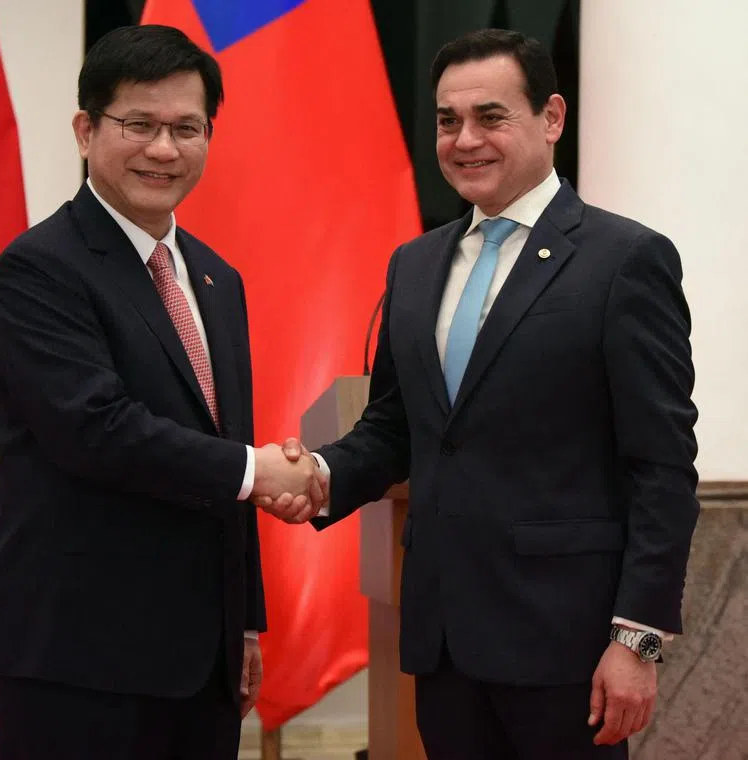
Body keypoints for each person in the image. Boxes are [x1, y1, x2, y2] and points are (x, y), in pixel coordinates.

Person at [260, 28, 699, 760]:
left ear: (551, 118)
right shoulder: (416, 263)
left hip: (570, 650)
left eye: (490, 117)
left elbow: (662, 467)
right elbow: (398, 426)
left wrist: (638, 639)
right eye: (447, 121)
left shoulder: (625, 261)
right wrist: (321, 476)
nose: (465, 140)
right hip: (445, 643)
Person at [0, 24, 323, 760]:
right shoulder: (42, 268)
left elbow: (223, 442)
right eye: (140, 125)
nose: (165, 149)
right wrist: (258, 472)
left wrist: (244, 622)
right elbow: (97, 430)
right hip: (78, 657)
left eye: (187, 128)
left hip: (201, 662)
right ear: (86, 130)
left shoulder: (218, 280)